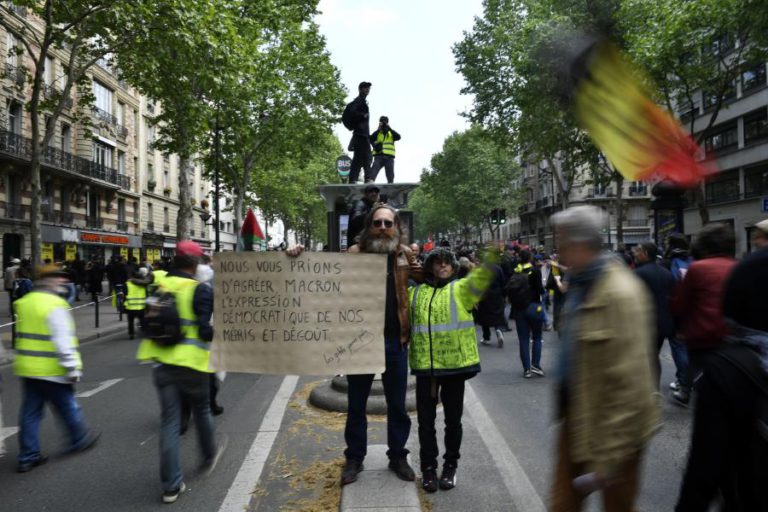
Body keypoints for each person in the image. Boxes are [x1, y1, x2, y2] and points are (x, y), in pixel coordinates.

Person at [292, 205, 422, 486]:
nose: (384, 227)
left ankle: (398, 455)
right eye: (378, 222)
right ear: (369, 226)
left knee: (397, 406)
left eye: (389, 223)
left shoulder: (404, 254)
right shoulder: (352, 255)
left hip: (394, 343)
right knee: (356, 405)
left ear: (397, 226)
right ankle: (354, 458)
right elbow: (322, 278)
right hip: (359, 344)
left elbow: (430, 277)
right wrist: (297, 258)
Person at [549, 206, 659, 512]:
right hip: (579, 416)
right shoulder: (581, 283)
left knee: (618, 507)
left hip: (614, 433)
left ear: (579, 244)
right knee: (562, 504)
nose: (556, 248)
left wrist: (611, 457)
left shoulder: (621, 293)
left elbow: (633, 382)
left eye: (561, 241)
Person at [675, 219, 768, 511]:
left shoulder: (705, 269)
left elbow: (704, 462)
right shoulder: (740, 266)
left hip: (714, 351)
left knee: (717, 427)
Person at [136, 240, 225, 504]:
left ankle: (171, 486)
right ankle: (209, 456)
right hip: (192, 365)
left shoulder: (159, 286)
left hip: (161, 363)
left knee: (170, 422)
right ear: (195, 263)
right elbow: (204, 330)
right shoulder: (200, 290)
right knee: (202, 411)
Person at [409, 246, 497, 492]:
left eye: (447, 262)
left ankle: (449, 467)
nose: (443, 266)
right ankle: (428, 468)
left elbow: (485, 276)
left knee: (452, 422)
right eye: (437, 262)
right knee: (426, 422)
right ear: (429, 267)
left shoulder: (462, 289)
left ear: (454, 266)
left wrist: (489, 257)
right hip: (426, 369)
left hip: (454, 368)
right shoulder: (416, 293)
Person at [13, 264, 101, 473]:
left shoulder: (24, 302)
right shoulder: (54, 305)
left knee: (30, 413)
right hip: (52, 369)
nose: (63, 280)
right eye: (59, 277)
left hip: (28, 367)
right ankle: (78, 439)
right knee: (68, 406)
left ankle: (28, 455)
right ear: (47, 280)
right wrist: (72, 369)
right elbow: (62, 341)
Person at [670, 223, 737, 392]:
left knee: (706, 391)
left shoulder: (698, 268)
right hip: (734, 338)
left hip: (704, 338)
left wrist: (680, 327)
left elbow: (680, 304)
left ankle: (685, 391)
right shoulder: (737, 266)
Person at [633, 242, 683, 395]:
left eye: (638, 251)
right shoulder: (666, 273)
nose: (635, 253)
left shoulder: (638, 274)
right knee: (653, 355)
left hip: (644, 323)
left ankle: (645, 389)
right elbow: (674, 299)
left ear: (646, 254)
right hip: (663, 324)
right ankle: (653, 388)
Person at [510, 250, 545, 378]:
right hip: (534, 307)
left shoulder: (516, 271)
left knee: (523, 340)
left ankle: (527, 369)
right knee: (537, 337)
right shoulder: (535, 271)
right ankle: (536, 364)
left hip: (520, 309)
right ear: (530, 258)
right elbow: (540, 290)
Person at [344, 81, 372, 184]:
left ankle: (354, 179)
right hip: (360, 134)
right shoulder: (358, 101)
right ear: (360, 89)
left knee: (359, 158)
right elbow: (352, 112)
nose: (367, 90)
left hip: (363, 134)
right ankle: (367, 179)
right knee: (366, 157)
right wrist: (362, 115)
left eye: (368, 88)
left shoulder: (363, 101)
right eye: (365, 88)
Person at [477, 262, 506, 348]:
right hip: (497, 293)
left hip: (484, 294)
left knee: (484, 315)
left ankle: (486, 337)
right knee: (498, 314)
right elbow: (503, 281)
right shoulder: (498, 268)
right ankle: (498, 329)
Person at [369, 116, 401, 184]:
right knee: (372, 173)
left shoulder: (391, 133)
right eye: (381, 122)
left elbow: (398, 137)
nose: (383, 124)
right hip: (378, 156)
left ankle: (390, 186)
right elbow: (370, 139)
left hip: (389, 157)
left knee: (390, 176)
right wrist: (378, 130)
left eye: (384, 122)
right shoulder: (378, 133)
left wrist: (390, 129)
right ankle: (370, 184)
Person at [347, 185, 380, 249]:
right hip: (357, 243)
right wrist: (373, 211)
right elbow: (355, 220)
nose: (374, 193)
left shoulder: (371, 206)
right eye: (371, 191)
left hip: (367, 242)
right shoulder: (360, 204)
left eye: (376, 192)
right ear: (366, 194)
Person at [125, 267, 152, 340]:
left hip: (130, 307)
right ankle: (144, 332)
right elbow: (147, 295)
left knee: (130, 321)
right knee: (142, 320)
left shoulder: (127, 283)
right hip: (141, 307)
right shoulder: (143, 284)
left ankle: (131, 334)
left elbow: (125, 294)